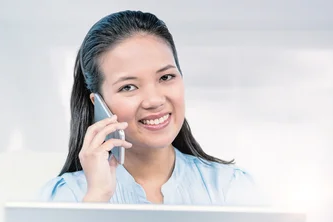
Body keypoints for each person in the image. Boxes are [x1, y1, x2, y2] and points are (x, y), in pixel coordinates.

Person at [39, 10, 265, 206]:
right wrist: (97, 196)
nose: (154, 100)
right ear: (98, 103)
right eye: (128, 87)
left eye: (166, 77)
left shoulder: (230, 187)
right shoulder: (67, 195)